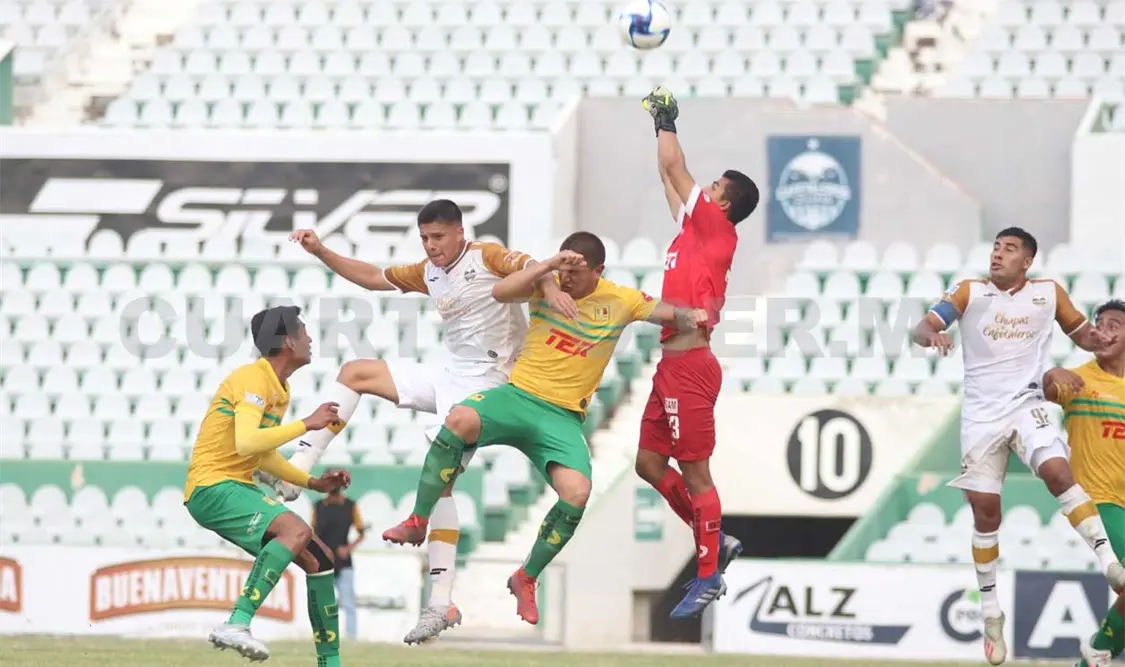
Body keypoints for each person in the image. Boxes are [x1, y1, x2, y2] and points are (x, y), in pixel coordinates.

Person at [258, 199, 575, 644]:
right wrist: (322, 252)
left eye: (438, 237)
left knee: (441, 479)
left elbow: (529, 268)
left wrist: (551, 283)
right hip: (451, 375)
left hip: (490, 384)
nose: (431, 246)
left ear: (459, 232)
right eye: (424, 238)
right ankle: (296, 474)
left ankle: (440, 600)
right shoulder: (430, 271)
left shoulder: (486, 255)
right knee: (356, 373)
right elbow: (372, 278)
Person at [382, 231, 709, 625]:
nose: (567, 279)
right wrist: (548, 272)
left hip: (562, 417)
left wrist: (695, 316)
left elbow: (668, 313)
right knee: (459, 419)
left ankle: (526, 576)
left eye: (576, 271)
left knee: (578, 492)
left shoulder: (620, 300)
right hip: (518, 397)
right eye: (563, 268)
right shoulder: (545, 282)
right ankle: (418, 520)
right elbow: (502, 292)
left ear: (599, 271)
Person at [913, 228, 1123, 666]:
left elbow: (1081, 332)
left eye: (1009, 250)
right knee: (986, 514)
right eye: (995, 248)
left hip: (1027, 404)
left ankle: (1109, 562)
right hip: (981, 417)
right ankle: (991, 613)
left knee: (1056, 471)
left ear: (1026, 261)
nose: (998, 255)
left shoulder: (1049, 294)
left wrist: (1098, 340)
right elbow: (925, 324)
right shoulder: (971, 292)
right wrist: (931, 335)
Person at [634, 86, 761, 619]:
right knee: (646, 463)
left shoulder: (715, 226)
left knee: (697, 475)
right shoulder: (693, 230)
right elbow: (669, 175)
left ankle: (709, 574)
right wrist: (659, 136)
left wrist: (666, 120)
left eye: (712, 188)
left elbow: (674, 162)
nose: (702, 190)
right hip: (670, 367)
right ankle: (715, 538)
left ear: (723, 202)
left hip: (691, 367)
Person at [183, 305, 352, 665]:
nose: (310, 337)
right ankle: (237, 621)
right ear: (288, 341)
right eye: (303, 331)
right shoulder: (252, 379)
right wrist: (307, 424)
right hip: (213, 486)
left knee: (320, 559)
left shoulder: (278, 388)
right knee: (296, 529)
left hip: (236, 485)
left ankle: (330, 663)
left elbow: (262, 456)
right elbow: (246, 443)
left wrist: (314, 483)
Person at [1040, 299, 1125, 667]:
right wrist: (1050, 374)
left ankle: (1098, 655)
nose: (1103, 331)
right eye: (1099, 324)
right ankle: (1100, 648)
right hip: (1099, 502)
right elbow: (1036, 392)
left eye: (1114, 325)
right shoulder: (1079, 379)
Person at [311, 473, 366, 642]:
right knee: (322, 605)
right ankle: (323, 636)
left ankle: (351, 638)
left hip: (344, 562)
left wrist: (348, 549)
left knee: (348, 603)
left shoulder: (351, 506)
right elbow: (311, 533)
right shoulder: (318, 506)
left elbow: (361, 532)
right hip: (323, 561)